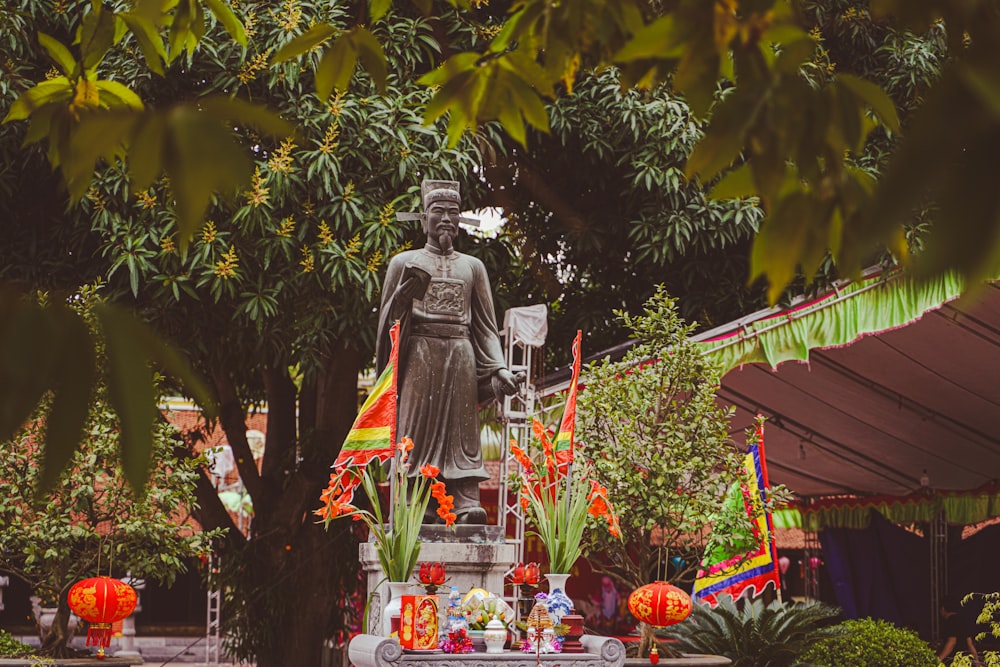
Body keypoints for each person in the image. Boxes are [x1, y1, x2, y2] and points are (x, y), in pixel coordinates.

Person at [376, 180, 521, 524]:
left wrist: (498, 369)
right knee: (416, 430)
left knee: (462, 432)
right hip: (419, 354)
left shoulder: (473, 267)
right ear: (423, 218)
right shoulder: (403, 262)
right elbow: (386, 326)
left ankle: (464, 499)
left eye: (453, 213)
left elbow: (485, 326)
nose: (446, 220)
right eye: (438, 212)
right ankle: (416, 501)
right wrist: (403, 296)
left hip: (460, 353)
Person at [938, 595, 981, 665]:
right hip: (964, 660)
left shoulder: (950, 621)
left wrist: (939, 659)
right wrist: (977, 661)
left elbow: (952, 642)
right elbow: (970, 643)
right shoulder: (963, 620)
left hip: (952, 660)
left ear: (942, 609)